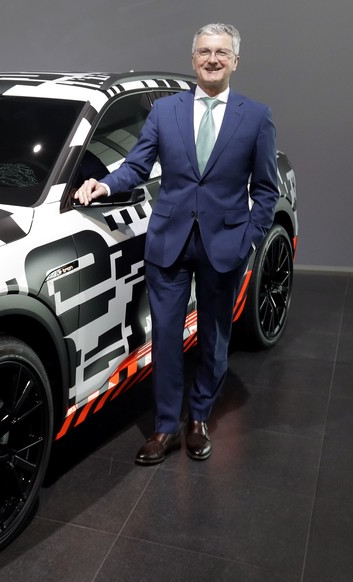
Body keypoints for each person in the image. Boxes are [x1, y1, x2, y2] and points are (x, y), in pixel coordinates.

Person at [74, 23, 280, 465]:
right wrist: (104, 185)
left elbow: (266, 189)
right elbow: (135, 166)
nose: (212, 59)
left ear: (235, 61)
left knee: (213, 337)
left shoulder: (256, 116)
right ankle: (166, 425)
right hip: (169, 241)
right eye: (204, 51)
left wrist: (250, 239)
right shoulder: (165, 112)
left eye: (221, 53)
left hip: (224, 244)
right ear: (193, 59)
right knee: (166, 337)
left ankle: (199, 416)